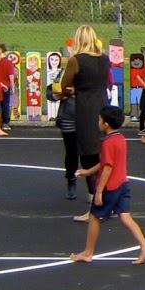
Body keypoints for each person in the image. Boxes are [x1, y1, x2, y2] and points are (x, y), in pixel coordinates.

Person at [71, 106, 145, 264]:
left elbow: (108, 167)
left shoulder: (107, 143)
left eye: (100, 119)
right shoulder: (120, 138)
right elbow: (106, 162)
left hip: (111, 186)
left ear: (106, 123)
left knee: (94, 216)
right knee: (125, 216)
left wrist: (99, 191)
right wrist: (89, 172)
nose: (98, 122)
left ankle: (88, 252)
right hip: (123, 183)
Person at [53, 24, 111, 190]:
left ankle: (94, 197)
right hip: (101, 105)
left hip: (84, 107)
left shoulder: (76, 60)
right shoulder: (105, 58)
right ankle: (103, 192)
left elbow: (64, 86)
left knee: (86, 154)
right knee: (99, 151)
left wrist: (71, 90)